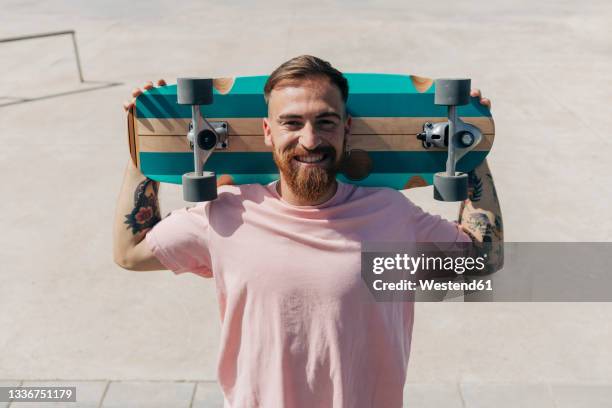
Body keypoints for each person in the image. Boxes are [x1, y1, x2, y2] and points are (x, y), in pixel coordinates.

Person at [113, 55, 503, 407]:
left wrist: (474, 151)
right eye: (292, 123)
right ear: (267, 131)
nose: (310, 140)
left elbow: (484, 258)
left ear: (347, 128)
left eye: (325, 122)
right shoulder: (225, 213)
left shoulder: (390, 213)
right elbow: (130, 252)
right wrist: (144, 149)